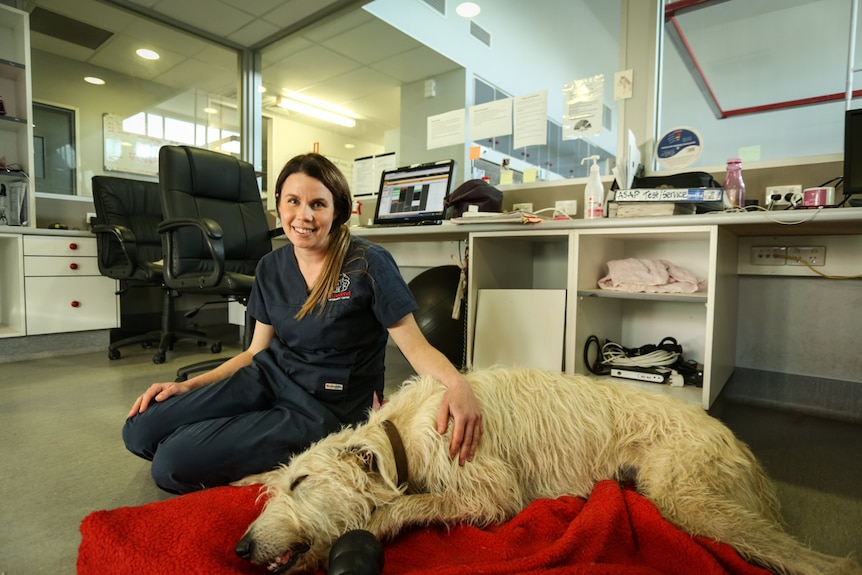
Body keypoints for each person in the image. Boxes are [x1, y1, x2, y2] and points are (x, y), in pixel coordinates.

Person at [122, 153, 483, 494]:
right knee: (140, 429)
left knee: (170, 463)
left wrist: (457, 384)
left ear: (337, 210)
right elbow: (254, 352)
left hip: (326, 405)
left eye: (318, 204)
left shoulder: (369, 263)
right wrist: (190, 387)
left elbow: (416, 347)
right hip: (269, 376)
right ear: (279, 203)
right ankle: (241, 441)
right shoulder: (271, 266)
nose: (303, 215)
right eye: (293, 201)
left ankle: (262, 456)